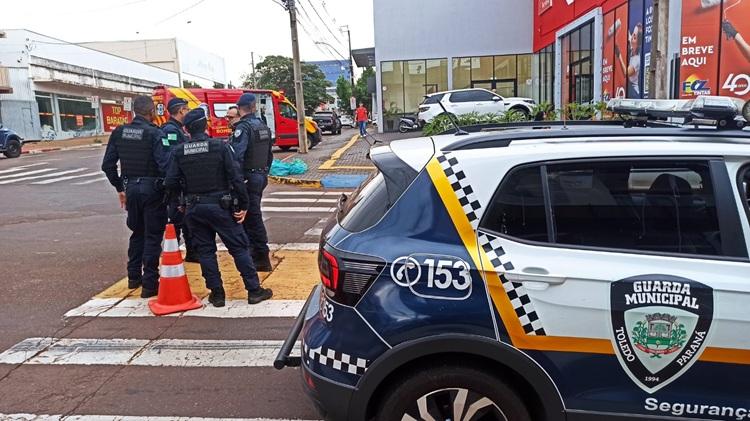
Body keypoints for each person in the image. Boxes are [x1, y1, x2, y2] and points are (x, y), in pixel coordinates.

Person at [165, 108, 273, 307]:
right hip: (221, 206)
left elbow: (171, 181)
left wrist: (181, 203)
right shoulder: (220, 147)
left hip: (194, 208)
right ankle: (254, 290)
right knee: (239, 248)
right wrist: (244, 204)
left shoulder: (179, 151)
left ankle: (217, 294)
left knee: (205, 251)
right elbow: (236, 177)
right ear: (205, 125)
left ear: (187, 130)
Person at [101, 95, 170, 298]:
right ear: (151, 112)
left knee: (137, 232)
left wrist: (120, 187)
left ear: (134, 111)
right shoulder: (155, 133)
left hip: (130, 188)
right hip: (152, 190)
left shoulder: (119, 132)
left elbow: (107, 165)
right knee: (152, 236)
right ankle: (150, 284)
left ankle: (133, 276)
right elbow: (164, 165)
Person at [229, 93, 273, 272]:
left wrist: (235, 180)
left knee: (250, 217)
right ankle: (257, 255)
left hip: (248, 177)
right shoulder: (263, 126)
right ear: (254, 107)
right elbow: (269, 155)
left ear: (239, 108)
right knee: (252, 215)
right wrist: (263, 172)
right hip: (260, 175)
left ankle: (260, 257)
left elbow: (237, 156)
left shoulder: (243, 128)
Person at [161, 97, 197, 262]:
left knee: (186, 219)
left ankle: (192, 252)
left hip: (179, 181)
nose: (188, 112)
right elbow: (173, 157)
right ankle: (173, 254)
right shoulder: (171, 131)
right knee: (177, 219)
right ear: (181, 110)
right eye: (187, 109)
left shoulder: (177, 129)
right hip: (176, 183)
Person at [615, 23, 642, 98]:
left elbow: (626, 73)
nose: (631, 37)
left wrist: (619, 55)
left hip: (634, 92)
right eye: (633, 34)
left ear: (638, 44)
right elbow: (629, 35)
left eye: (634, 37)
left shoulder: (636, 60)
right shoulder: (632, 45)